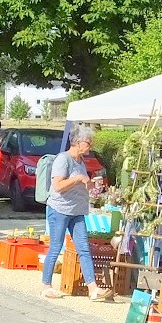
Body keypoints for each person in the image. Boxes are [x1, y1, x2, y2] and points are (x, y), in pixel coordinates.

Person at [40, 124, 113, 301]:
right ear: (78, 143)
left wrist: (88, 185)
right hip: (59, 210)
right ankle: (46, 286)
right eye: (88, 142)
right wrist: (79, 178)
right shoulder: (63, 159)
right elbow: (57, 186)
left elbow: (77, 183)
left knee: (84, 248)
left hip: (77, 211)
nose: (90, 146)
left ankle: (93, 289)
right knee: (56, 246)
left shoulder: (81, 161)